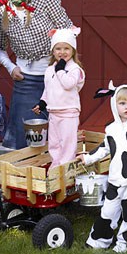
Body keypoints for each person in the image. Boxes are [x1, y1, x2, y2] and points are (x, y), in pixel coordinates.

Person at [0, 0, 73, 150]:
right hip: (25, 80)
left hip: (54, 77)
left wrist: (61, 63)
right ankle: (24, 178)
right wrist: (11, 68)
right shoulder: (0, 14)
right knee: (26, 135)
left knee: (57, 129)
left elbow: (69, 31)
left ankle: (53, 175)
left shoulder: (47, 2)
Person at [77, 75, 127, 253]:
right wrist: (88, 158)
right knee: (108, 211)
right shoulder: (111, 128)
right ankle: (99, 240)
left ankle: (124, 243)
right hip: (115, 178)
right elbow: (105, 148)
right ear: (114, 104)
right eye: (122, 103)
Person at [32, 28, 85, 169]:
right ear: (53, 51)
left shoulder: (75, 69)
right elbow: (48, 89)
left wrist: (61, 70)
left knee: (67, 143)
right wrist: (43, 102)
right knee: (55, 143)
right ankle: (56, 167)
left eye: (66, 48)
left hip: (68, 112)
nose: (62, 52)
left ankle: (65, 169)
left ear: (73, 50)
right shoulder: (50, 69)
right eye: (58, 49)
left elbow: (68, 84)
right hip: (53, 113)